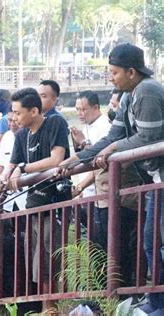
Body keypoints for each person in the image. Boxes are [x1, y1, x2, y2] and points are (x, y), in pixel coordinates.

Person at [60, 43, 164, 314]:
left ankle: (158, 303)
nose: (111, 77)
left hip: (160, 178)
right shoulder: (129, 96)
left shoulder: (148, 91)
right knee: (151, 240)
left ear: (131, 71)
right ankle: (156, 302)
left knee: (154, 240)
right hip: (155, 180)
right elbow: (113, 136)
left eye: (114, 72)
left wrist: (112, 150)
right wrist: (75, 160)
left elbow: (149, 138)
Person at [0, 87, 70, 307]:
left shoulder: (55, 124)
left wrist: (24, 168)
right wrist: (3, 179)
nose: (14, 118)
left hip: (53, 205)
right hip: (32, 206)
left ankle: (52, 308)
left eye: (18, 113)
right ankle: (43, 307)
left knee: (50, 261)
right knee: (36, 263)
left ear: (35, 110)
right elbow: (11, 166)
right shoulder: (20, 136)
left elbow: (56, 159)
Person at [69, 90, 140, 286]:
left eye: (84, 109)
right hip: (98, 196)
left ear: (95, 108)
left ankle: (116, 288)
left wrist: (83, 145)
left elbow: (100, 162)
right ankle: (105, 288)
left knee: (113, 245)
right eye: (77, 109)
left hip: (111, 195)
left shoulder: (105, 128)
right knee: (99, 245)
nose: (80, 113)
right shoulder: (88, 128)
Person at [0, 110, 27, 212]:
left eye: (15, 120)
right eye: (9, 120)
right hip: (8, 196)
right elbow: (2, 166)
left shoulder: (28, 136)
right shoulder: (6, 137)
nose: (12, 124)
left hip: (25, 192)